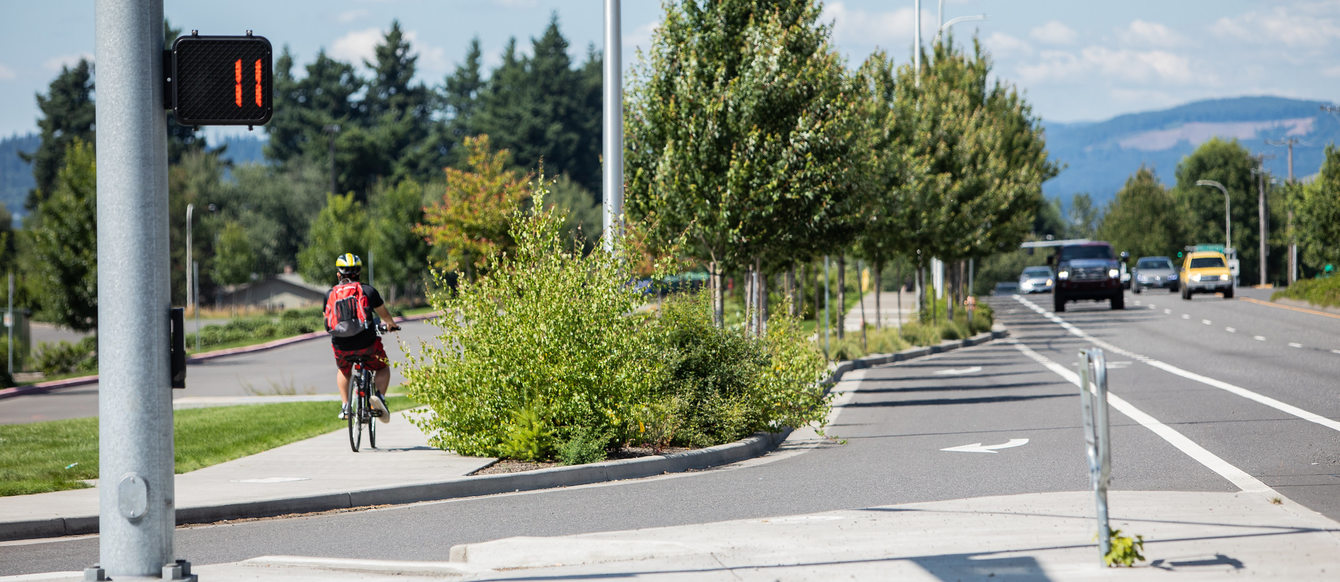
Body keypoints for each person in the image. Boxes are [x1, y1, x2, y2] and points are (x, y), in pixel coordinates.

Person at [325, 253, 401, 422]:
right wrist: (391, 324)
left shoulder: (330, 294)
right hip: (366, 343)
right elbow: (385, 315)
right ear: (359, 273)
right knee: (382, 367)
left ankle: (345, 406)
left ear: (339, 274)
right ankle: (379, 397)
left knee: (344, 370)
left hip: (341, 345)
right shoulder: (368, 291)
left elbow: (328, 319)